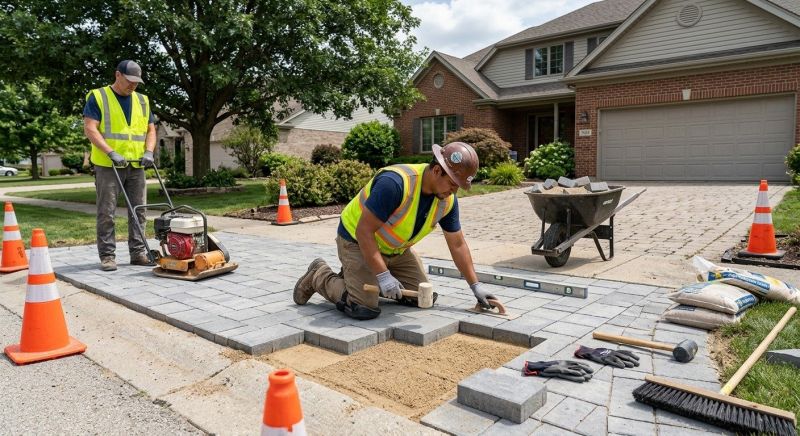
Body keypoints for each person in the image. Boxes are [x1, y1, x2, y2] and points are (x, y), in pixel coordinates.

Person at [293, 142, 496, 320]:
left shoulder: (447, 201)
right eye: (452, 183)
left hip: (395, 251)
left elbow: (458, 244)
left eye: (459, 186)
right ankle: (319, 275)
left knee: (422, 299)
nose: (454, 191)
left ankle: (357, 276)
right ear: (436, 171)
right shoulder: (395, 183)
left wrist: (475, 286)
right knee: (364, 307)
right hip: (356, 240)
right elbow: (364, 232)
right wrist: (383, 276)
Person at [83, 60, 157, 271]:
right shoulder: (98, 96)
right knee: (107, 212)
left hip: (136, 164)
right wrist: (110, 152)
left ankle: (138, 253)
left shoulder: (143, 101)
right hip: (108, 165)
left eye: (136, 82)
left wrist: (149, 151)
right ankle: (107, 256)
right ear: (117, 75)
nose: (133, 85)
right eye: (129, 81)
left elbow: (150, 130)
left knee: (139, 210)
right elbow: (90, 128)